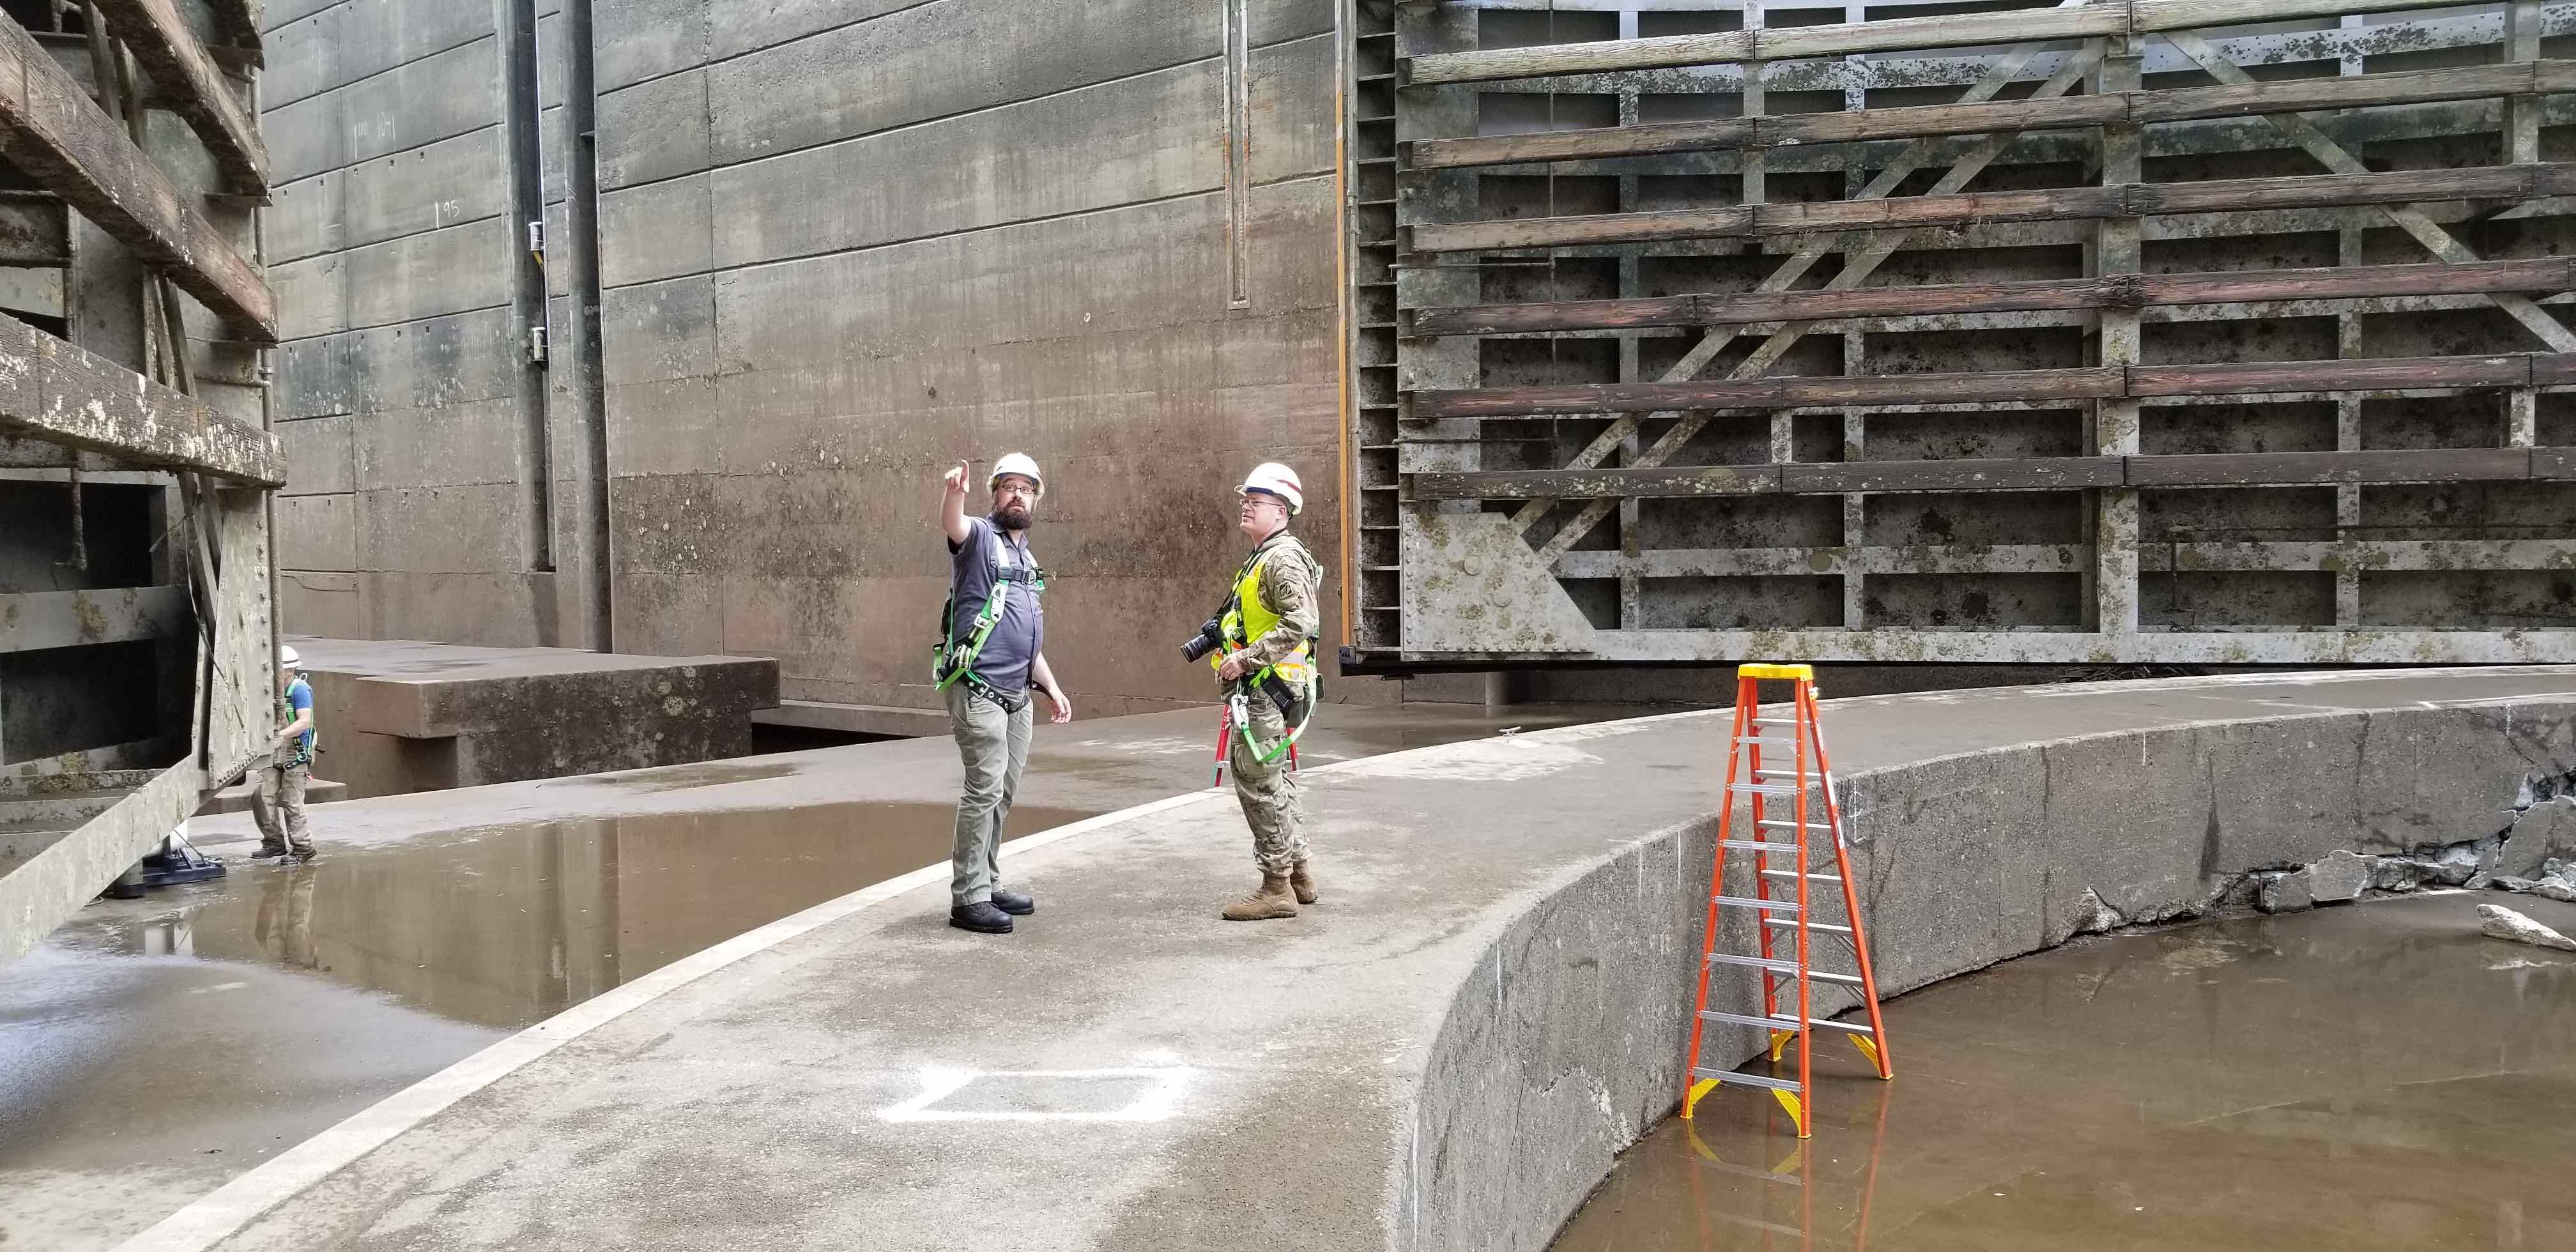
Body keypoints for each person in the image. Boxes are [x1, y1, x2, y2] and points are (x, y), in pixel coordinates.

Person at [937, 454, 1071, 935]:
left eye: (1026, 489)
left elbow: (1024, 635)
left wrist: (1051, 686)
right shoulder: (978, 538)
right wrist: (954, 493)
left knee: (1002, 793)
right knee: (983, 791)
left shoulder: (1026, 558)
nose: (1018, 495)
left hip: (1018, 695)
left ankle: (988, 883)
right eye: (1009, 487)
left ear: (1036, 499)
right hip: (980, 690)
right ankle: (968, 899)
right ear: (994, 493)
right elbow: (953, 524)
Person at [1208, 462, 1324, 921]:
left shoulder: (1281, 559)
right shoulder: (1265, 556)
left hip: (1267, 688)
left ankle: (1276, 887)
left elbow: (1302, 621)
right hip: (1275, 688)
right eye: (1246, 499)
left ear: (1282, 510)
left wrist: (1246, 659)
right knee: (1274, 779)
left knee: (1257, 782)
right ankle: (1300, 876)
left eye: (1256, 501)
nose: (1246, 506)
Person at [250, 644, 318, 863]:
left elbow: (305, 721)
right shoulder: (269, 688)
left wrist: (283, 735)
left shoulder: (300, 689)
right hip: (273, 749)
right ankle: (273, 843)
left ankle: (303, 847)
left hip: (294, 751)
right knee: (261, 796)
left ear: (290, 671)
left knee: (291, 800)